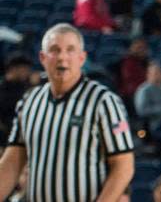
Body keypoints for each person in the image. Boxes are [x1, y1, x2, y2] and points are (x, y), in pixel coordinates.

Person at [0, 24, 134, 201]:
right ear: (42, 58)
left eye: (70, 50)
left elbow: (124, 166)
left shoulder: (104, 101)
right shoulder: (28, 102)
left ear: (82, 58)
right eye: (54, 50)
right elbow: (13, 161)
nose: (62, 57)